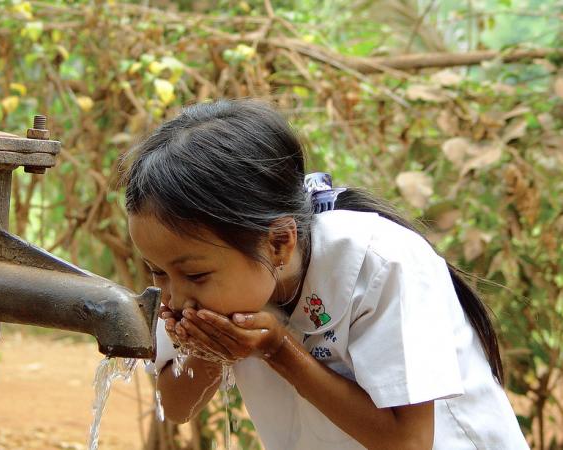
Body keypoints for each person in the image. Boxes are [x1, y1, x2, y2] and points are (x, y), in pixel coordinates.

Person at [123, 99, 528, 449]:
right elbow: (176, 407)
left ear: (279, 242)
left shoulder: (381, 263)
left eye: (194, 275)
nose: (173, 297)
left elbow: (408, 442)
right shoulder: (196, 283)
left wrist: (279, 349)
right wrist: (211, 352)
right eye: (157, 272)